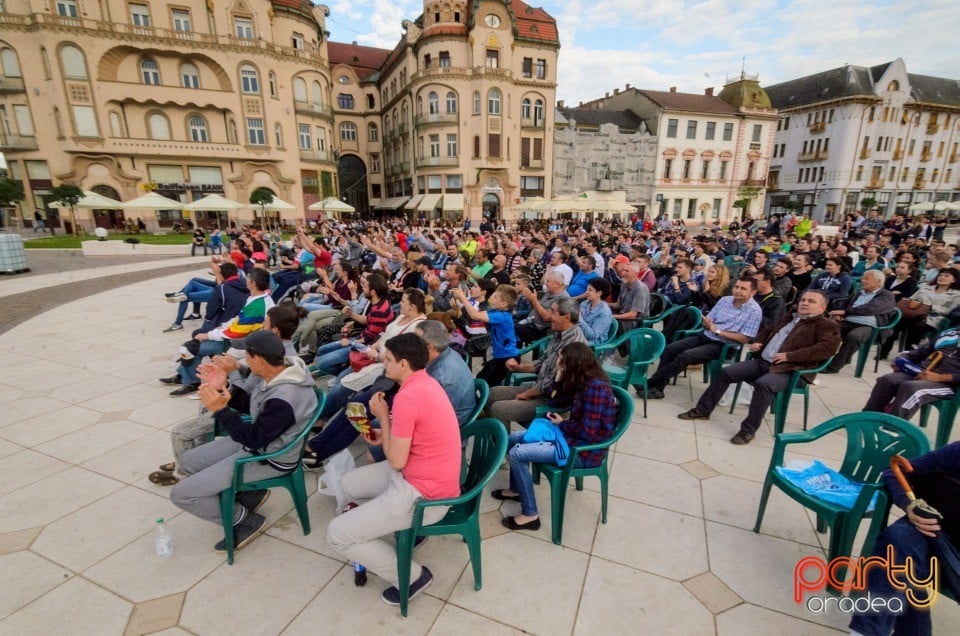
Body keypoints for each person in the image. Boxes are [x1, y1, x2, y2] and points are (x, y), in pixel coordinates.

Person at [326, 333, 461, 607]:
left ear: (403, 364)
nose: (382, 364)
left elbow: (397, 460)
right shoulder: (425, 383)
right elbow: (410, 439)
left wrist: (382, 418)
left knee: (336, 535)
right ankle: (368, 533)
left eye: (387, 360)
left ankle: (413, 577)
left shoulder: (408, 397)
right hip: (420, 473)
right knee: (347, 485)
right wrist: (383, 430)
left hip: (425, 494)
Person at [169, 331, 318, 552]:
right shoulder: (282, 371)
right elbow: (253, 405)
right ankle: (250, 494)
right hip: (260, 442)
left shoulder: (285, 397)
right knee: (188, 460)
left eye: (246, 356)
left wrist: (220, 409)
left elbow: (253, 438)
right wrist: (224, 387)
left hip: (269, 458)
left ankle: (244, 519)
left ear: (257, 358)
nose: (242, 361)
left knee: (182, 495)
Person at [150, 303, 305, 485]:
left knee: (181, 432)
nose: (262, 326)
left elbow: (249, 395)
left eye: (265, 324)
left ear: (275, 332)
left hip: (254, 422)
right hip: (256, 416)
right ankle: (188, 465)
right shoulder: (283, 355)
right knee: (205, 409)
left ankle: (183, 472)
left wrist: (230, 374)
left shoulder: (270, 360)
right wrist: (235, 370)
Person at [303, 319, 475, 468]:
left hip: (433, 432)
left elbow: (435, 421)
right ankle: (315, 448)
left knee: (363, 419)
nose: (410, 341)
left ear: (429, 346)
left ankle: (317, 453)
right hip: (409, 396)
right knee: (355, 406)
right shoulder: (438, 354)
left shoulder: (445, 379)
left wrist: (387, 416)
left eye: (415, 338)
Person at [676, 290, 841, 445]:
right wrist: (757, 342)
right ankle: (703, 410)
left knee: (764, 385)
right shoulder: (790, 316)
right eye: (803, 300)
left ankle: (747, 431)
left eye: (811, 301)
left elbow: (826, 349)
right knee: (726, 372)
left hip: (791, 370)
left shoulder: (826, 325)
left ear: (822, 307)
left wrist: (790, 356)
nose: (804, 303)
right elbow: (767, 330)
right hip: (763, 362)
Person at [493, 342, 617, 531]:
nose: (558, 363)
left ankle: (530, 515)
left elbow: (588, 432)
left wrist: (562, 423)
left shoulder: (595, 389)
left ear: (574, 364)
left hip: (581, 451)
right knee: (513, 439)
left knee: (518, 453)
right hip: (569, 439)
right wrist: (559, 380)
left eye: (562, 360)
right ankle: (515, 489)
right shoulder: (582, 381)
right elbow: (554, 399)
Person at [848, 441, 960, 636]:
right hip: (934, 532)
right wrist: (910, 505)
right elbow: (895, 470)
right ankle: (866, 632)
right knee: (897, 542)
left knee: (905, 567)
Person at [644, 277, 762, 399]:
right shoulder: (725, 300)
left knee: (686, 356)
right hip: (706, 336)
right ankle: (658, 388)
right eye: (736, 287)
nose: (738, 291)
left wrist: (718, 331)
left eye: (743, 289)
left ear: (752, 292)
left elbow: (744, 339)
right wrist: (706, 323)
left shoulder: (754, 311)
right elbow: (710, 319)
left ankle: (652, 382)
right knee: (669, 349)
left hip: (724, 345)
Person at [169, 267, 273, 396]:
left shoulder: (257, 305)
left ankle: (192, 382)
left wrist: (209, 335)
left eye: (247, 278)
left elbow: (237, 332)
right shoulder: (259, 299)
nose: (245, 280)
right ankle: (184, 375)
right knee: (195, 341)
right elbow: (239, 320)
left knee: (191, 348)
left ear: (253, 284)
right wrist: (222, 327)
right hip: (238, 336)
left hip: (238, 342)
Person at [487, 297, 586, 426]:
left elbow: (552, 383)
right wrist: (518, 367)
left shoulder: (574, 345)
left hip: (552, 400)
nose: (548, 316)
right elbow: (541, 363)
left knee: (499, 409)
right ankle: (489, 436)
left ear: (566, 317)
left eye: (553, 312)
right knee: (492, 393)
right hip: (540, 390)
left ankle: (503, 445)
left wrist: (525, 394)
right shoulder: (559, 334)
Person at [863, 326, 960, 420]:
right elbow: (921, 352)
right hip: (922, 373)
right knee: (887, 380)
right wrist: (902, 359)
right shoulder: (951, 333)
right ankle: (867, 419)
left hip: (948, 384)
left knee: (912, 388)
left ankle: (893, 428)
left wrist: (939, 377)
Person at [823, 270, 897, 373]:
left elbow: (871, 309)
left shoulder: (887, 295)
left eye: (867, 279)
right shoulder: (859, 292)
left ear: (878, 281)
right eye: (863, 278)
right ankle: (820, 360)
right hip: (848, 322)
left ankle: (832, 367)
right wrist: (838, 314)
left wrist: (845, 312)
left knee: (853, 336)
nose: (863, 281)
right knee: (825, 329)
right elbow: (845, 305)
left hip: (870, 327)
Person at [453, 284, 520, 387]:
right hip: (499, 356)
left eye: (495, 297)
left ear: (503, 304)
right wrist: (460, 301)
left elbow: (475, 315)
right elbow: (475, 312)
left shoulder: (502, 316)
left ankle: (489, 401)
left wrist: (462, 297)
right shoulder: (496, 311)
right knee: (480, 377)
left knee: (485, 384)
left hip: (507, 358)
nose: (491, 297)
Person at [515, 270, 569, 344]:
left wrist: (534, 301)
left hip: (542, 330)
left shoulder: (563, 298)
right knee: (508, 324)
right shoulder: (550, 292)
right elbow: (537, 308)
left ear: (557, 284)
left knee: (512, 329)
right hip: (531, 322)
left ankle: (513, 354)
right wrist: (531, 299)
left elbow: (546, 318)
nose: (545, 283)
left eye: (548, 281)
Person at [578, 278, 614, 346]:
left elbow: (593, 336)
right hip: (580, 336)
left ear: (599, 293)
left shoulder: (604, 312)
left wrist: (580, 320)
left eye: (590, 290)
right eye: (587, 289)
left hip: (594, 343)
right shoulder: (584, 303)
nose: (586, 292)